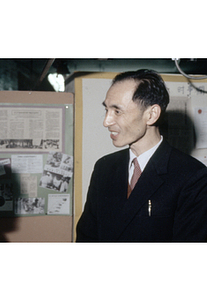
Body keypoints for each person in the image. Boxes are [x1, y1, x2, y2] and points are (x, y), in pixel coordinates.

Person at [76, 69, 207, 242]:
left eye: (117, 111)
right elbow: (87, 237)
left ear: (151, 115)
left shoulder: (193, 176)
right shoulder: (104, 167)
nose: (106, 121)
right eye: (107, 110)